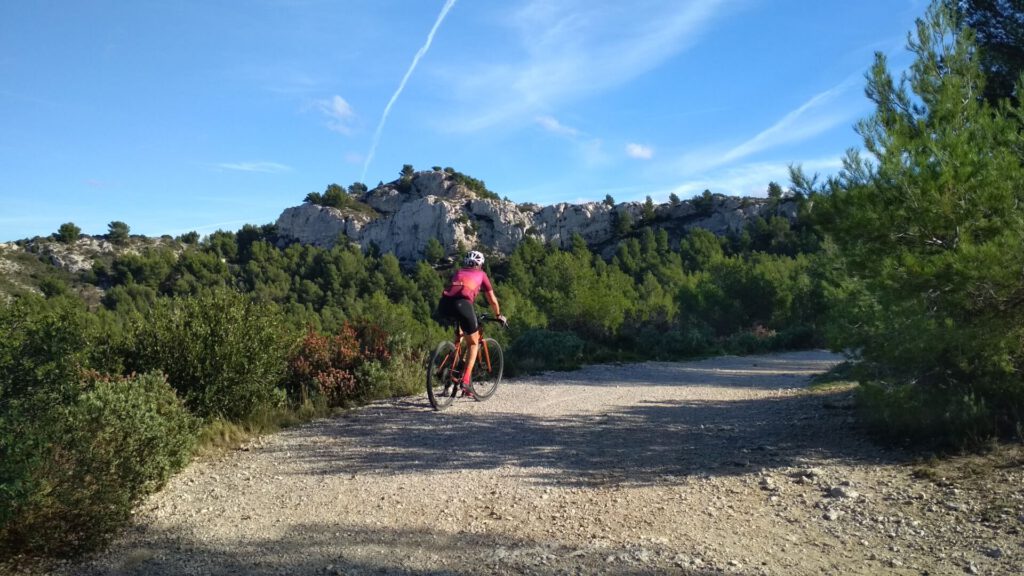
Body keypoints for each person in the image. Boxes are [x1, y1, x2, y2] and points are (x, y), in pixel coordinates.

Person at [436, 250, 506, 396]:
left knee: (460, 338)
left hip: (444, 304)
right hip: (463, 305)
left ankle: (448, 379)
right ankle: (466, 381)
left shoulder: (458, 272)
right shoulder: (481, 275)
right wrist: (499, 315)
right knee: (473, 343)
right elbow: (492, 299)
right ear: (480, 264)